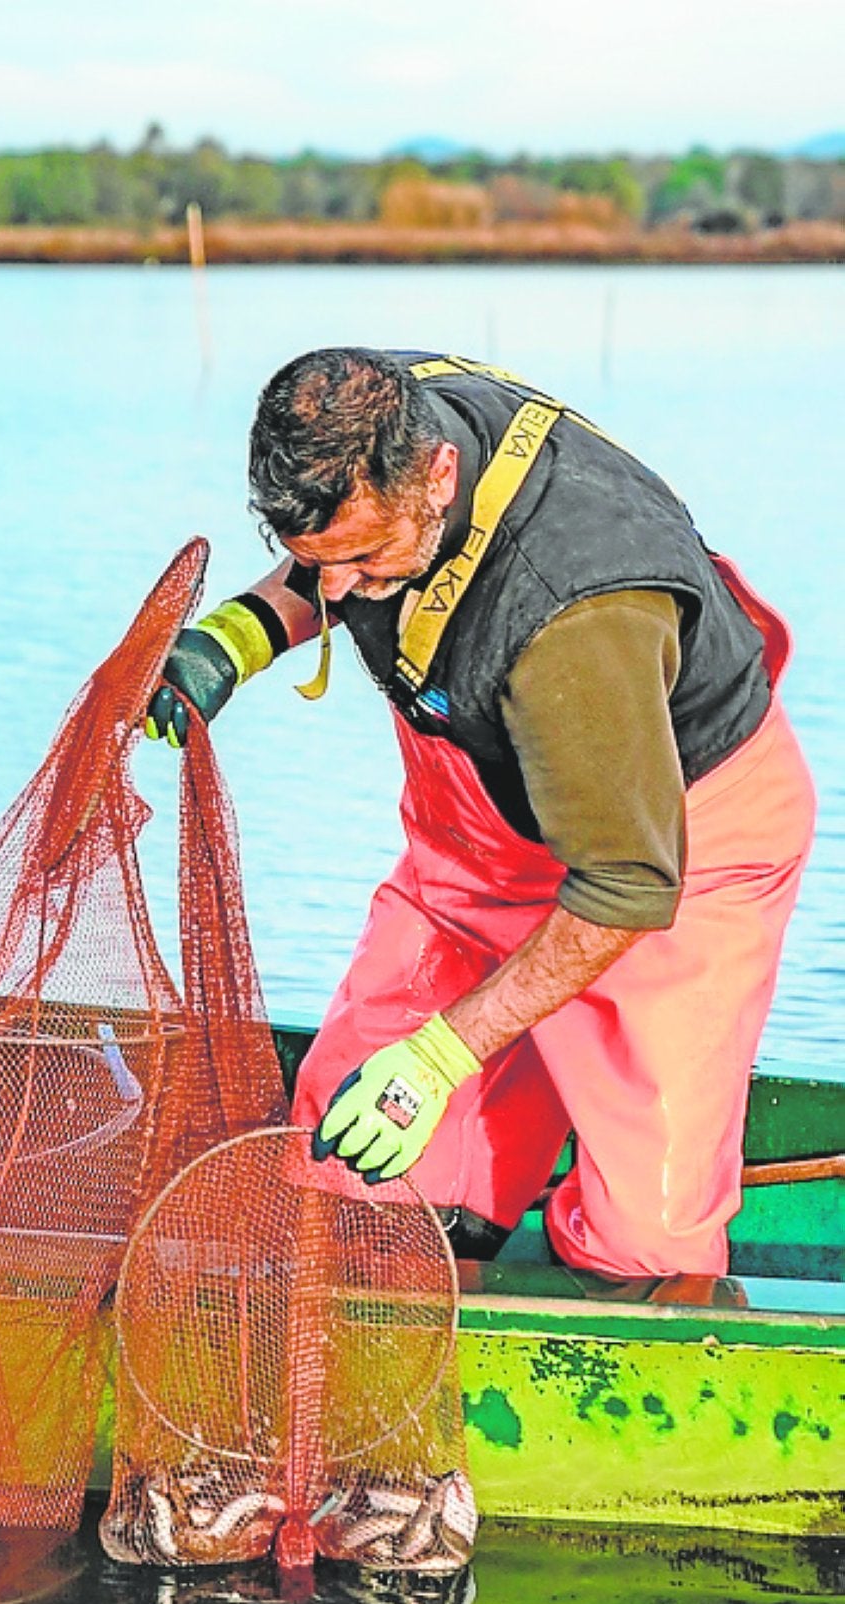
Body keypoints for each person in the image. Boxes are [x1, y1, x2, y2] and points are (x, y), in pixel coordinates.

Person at [146, 348, 814, 1278]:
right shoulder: (387, 416)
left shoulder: (573, 617)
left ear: (440, 477)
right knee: (354, 1179)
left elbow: (626, 882)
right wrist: (239, 636)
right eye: (313, 564)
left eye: (366, 561)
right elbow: (333, 553)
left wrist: (439, 1057)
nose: (336, 594)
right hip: (481, 852)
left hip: (673, 856)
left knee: (649, 1245)